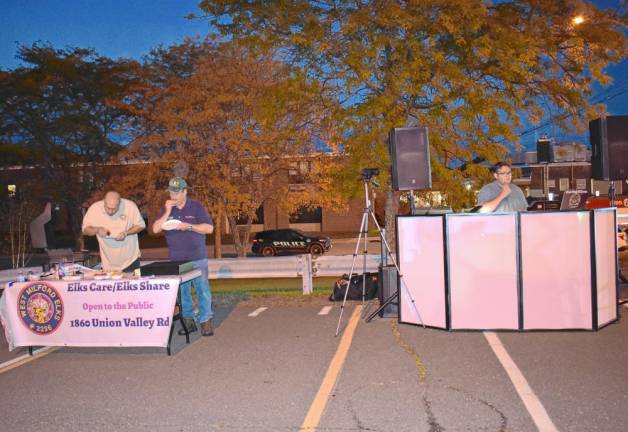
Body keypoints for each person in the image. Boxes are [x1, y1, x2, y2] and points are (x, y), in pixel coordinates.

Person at [152, 177, 215, 337]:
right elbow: (155, 229)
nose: (173, 195)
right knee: (183, 292)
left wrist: (189, 226)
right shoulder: (167, 209)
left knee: (202, 290)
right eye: (171, 191)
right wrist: (166, 211)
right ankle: (189, 322)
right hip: (177, 259)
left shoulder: (196, 207)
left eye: (177, 192)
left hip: (197, 257)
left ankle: (205, 320)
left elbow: (209, 228)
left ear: (185, 191)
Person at [82, 191, 146, 272]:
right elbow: (85, 230)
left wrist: (126, 233)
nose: (111, 211)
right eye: (108, 208)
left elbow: (141, 225)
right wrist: (97, 229)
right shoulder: (94, 209)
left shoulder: (130, 206)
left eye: (114, 208)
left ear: (120, 202)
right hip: (108, 264)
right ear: (104, 202)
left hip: (130, 261)